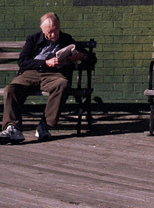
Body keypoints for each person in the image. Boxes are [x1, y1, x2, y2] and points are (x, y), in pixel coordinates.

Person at [0, 13, 89, 143]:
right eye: (49, 32)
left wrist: (81, 56)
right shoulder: (33, 39)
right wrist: (45, 63)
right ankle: (13, 129)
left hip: (54, 75)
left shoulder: (66, 39)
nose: (54, 35)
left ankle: (44, 126)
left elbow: (90, 57)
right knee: (11, 89)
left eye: (56, 30)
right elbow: (23, 61)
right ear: (42, 30)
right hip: (31, 73)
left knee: (62, 84)